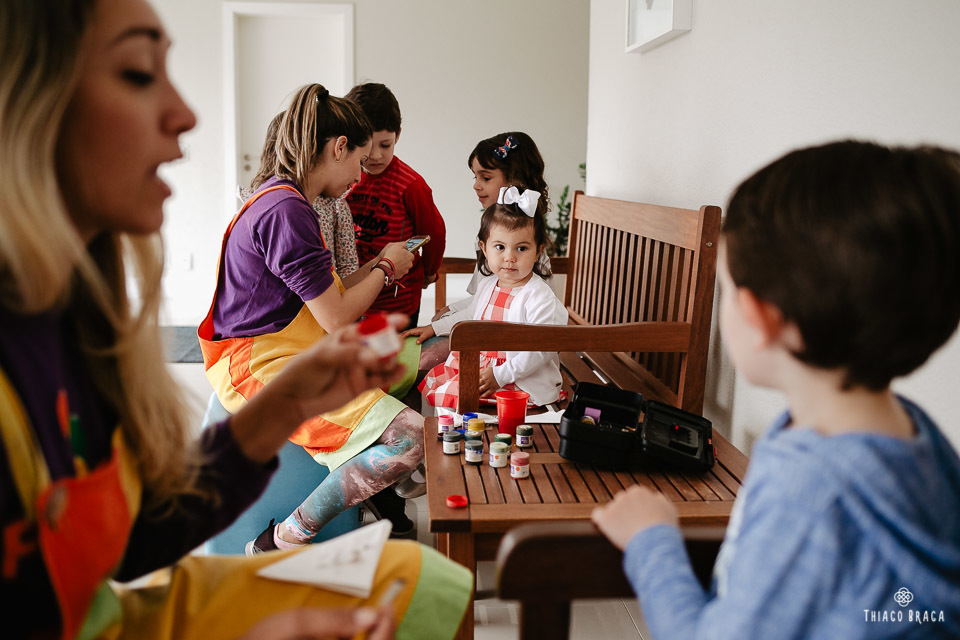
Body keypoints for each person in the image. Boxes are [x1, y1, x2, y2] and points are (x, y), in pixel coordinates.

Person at [0, 0, 473, 638]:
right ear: (33, 102)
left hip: (113, 605)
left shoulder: (78, 323)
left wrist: (290, 402)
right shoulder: (285, 209)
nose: (186, 113)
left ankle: (292, 539)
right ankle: (291, 537)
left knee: (428, 586)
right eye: (139, 74)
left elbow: (138, 540)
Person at [592, 141, 960, 639]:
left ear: (762, 318)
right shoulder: (917, 437)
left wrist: (651, 540)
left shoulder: (807, 493)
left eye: (725, 289)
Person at [404, 186, 567, 409]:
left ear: (538, 252)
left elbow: (540, 350)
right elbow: (471, 315)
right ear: (484, 248)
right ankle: (450, 432)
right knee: (444, 390)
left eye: (521, 248)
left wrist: (500, 375)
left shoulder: (538, 295)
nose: (509, 258)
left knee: (461, 395)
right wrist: (434, 328)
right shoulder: (490, 284)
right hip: (483, 369)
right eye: (500, 247)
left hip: (519, 379)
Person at [345, 82, 447, 329]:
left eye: (385, 145)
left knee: (398, 361)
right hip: (355, 294)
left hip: (398, 299)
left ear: (397, 136)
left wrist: (429, 271)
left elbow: (432, 232)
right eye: (368, 146)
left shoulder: (411, 185)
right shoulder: (345, 180)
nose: (377, 156)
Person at [434, 131, 553, 320]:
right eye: (475, 177)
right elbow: (485, 296)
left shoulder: (521, 242)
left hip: (509, 325)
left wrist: (443, 323)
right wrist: (451, 309)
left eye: (486, 178)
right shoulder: (496, 230)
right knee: (441, 318)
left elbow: (495, 312)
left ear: (515, 180)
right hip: (488, 314)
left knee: (434, 337)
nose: (476, 185)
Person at [240, 112, 361, 277]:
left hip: (323, 294)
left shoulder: (335, 204)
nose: (359, 176)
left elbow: (348, 265)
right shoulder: (275, 205)